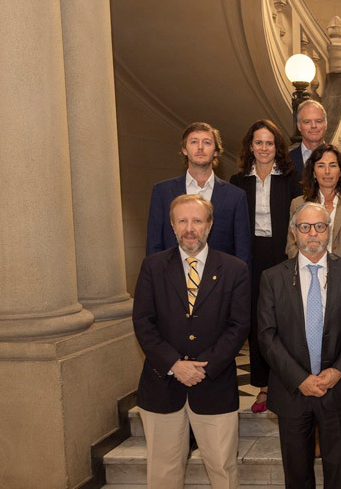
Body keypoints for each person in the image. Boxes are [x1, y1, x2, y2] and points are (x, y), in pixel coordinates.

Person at [132, 194, 252, 489]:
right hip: (162, 386)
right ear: (172, 226)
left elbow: (239, 327)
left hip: (214, 385)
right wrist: (175, 364)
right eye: (182, 221)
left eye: (197, 221)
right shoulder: (153, 266)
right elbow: (143, 323)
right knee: (163, 473)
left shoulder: (235, 269)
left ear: (209, 225)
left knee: (222, 470)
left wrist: (203, 368)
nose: (190, 228)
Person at [258, 202, 341, 489]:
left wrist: (336, 372)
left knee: (339, 474)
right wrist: (300, 379)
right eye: (305, 227)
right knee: (297, 476)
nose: (312, 233)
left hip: (338, 389)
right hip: (292, 391)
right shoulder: (272, 278)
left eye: (319, 227)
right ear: (294, 232)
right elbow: (267, 336)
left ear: (328, 231)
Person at [230, 119, 301, 414]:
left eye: (269, 143)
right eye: (258, 142)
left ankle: (288, 381)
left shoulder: (291, 179)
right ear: (250, 146)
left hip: (283, 252)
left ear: (277, 147)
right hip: (251, 254)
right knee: (257, 321)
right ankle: (263, 386)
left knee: (286, 319)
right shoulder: (238, 182)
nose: (263, 148)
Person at [146, 122, 252, 268]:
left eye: (207, 142)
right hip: (172, 280)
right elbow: (154, 245)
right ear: (184, 149)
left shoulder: (235, 196)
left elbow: (243, 251)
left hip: (220, 282)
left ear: (216, 151)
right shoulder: (162, 192)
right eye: (194, 142)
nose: (200, 147)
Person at [286, 144, 341, 272]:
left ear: (340, 172)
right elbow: (292, 246)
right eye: (321, 166)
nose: (327, 171)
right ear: (314, 173)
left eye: (332, 165)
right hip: (309, 275)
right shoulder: (298, 204)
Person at [290, 99, 328, 176]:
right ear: (299, 126)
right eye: (307, 122)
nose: (313, 126)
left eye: (318, 121)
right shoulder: (286, 161)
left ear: (326, 125)